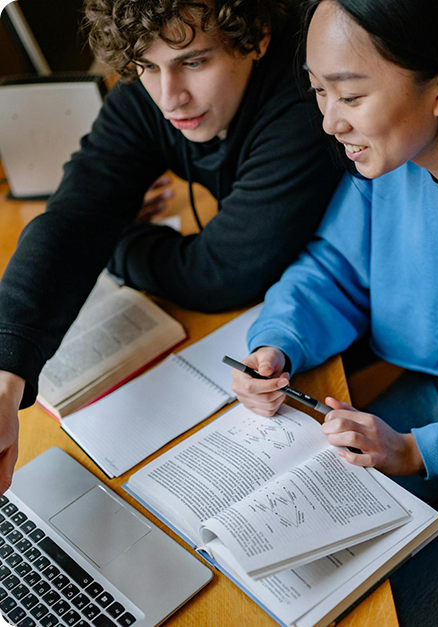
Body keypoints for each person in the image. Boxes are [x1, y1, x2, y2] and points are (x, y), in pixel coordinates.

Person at [231, 0, 438, 625]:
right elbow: (333, 270)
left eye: (348, 95)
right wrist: (279, 342)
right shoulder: (389, 166)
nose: (328, 123)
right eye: (319, 93)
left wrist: (422, 452)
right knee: (283, 571)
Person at [0, 0, 341, 493]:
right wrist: (7, 375)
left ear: (258, 37)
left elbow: (218, 274)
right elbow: (75, 216)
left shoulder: (305, 95)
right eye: (146, 67)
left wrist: (115, 233)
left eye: (194, 62)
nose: (169, 97)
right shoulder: (154, 93)